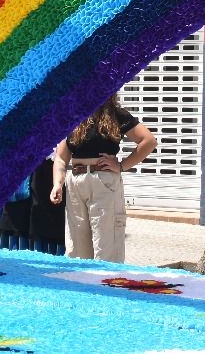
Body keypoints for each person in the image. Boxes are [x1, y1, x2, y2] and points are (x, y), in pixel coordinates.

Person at [50, 95, 157, 262]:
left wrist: (122, 166)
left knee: (107, 246)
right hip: (76, 183)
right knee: (76, 248)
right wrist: (57, 183)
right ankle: (80, 285)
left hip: (104, 182)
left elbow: (148, 141)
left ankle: (106, 285)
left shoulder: (117, 115)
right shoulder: (74, 116)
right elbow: (61, 158)